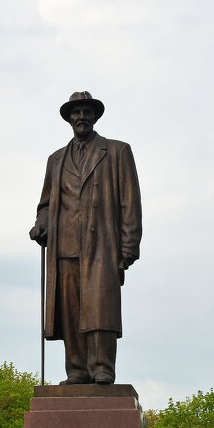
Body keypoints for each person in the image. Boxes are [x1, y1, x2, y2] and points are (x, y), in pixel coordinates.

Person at [30, 91, 142, 385]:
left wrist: (128, 247)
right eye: (76, 112)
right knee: (70, 310)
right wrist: (41, 223)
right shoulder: (56, 160)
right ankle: (77, 369)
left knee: (99, 308)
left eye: (86, 112)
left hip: (101, 246)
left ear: (95, 116)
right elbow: (45, 204)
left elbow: (130, 202)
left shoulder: (117, 152)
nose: (81, 117)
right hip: (64, 246)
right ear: (69, 118)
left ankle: (101, 365)